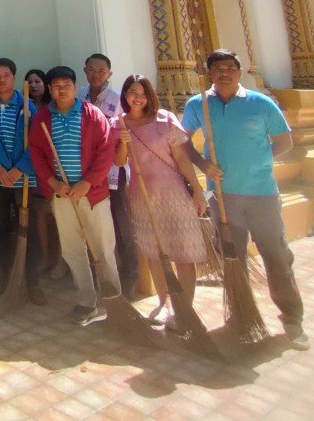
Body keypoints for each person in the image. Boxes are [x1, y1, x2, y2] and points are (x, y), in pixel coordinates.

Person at [181, 48, 308, 349]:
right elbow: (182, 140)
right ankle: (241, 314)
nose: (223, 73)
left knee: (276, 256)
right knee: (231, 259)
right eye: (217, 69)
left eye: (229, 68)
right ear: (209, 74)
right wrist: (202, 164)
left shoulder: (261, 104)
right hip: (220, 194)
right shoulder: (199, 104)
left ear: (239, 72)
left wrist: (258, 160)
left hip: (262, 192)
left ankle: (292, 319)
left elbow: (284, 141)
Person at [111, 74, 208, 329]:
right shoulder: (118, 123)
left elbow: (182, 158)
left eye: (143, 93)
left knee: (183, 252)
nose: (138, 98)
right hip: (142, 195)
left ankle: (184, 307)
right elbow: (119, 162)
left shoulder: (165, 120)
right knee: (154, 253)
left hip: (173, 192)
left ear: (150, 95)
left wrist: (197, 190)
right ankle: (164, 303)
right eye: (132, 92)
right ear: (125, 95)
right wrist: (123, 141)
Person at [28, 66, 116, 326]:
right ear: (50, 89)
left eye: (66, 84)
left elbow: (106, 151)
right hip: (62, 195)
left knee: (103, 250)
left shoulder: (92, 115)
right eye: (56, 85)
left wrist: (88, 182)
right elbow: (37, 153)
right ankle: (86, 302)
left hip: (93, 194)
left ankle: (114, 301)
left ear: (76, 87)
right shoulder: (43, 119)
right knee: (73, 250)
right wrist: (53, 182)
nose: (62, 89)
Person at [0, 58, 44, 305]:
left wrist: (19, 169)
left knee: (28, 229)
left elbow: (36, 142)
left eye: (6, 75)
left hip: (22, 179)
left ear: (14, 78)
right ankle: (1, 276)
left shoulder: (27, 106)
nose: (1, 80)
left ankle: (32, 281)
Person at [78, 53, 134, 292]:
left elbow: (124, 134)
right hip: (85, 170)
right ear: (85, 71)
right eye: (92, 69)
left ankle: (130, 274)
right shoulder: (78, 96)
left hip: (113, 169)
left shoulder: (118, 99)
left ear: (109, 74)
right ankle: (99, 274)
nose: (96, 74)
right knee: (92, 223)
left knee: (120, 222)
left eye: (102, 71)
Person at [25, 68, 60, 278]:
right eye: (29, 82)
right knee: (40, 212)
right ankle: (46, 257)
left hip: (54, 164)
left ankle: (61, 258)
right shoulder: (23, 107)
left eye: (37, 81)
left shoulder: (53, 107)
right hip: (33, 165)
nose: (34, 85)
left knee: (59, 214)